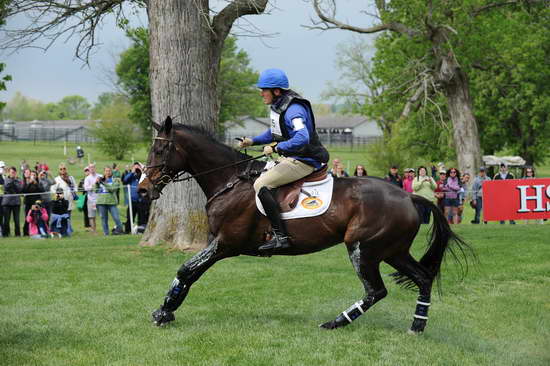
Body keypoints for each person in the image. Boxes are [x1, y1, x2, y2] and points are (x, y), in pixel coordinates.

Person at [238, 68, 329, 252]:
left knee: (261, 185)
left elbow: (302, 137)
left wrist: (275, 148)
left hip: (305, 160)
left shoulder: (294, 110)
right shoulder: (279, 107)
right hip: (293, 157)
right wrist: (253, 141)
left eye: (264, 89)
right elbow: (274, 132)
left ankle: (281, 237)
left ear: (277, 91)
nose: (261, 93)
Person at [95, 166, 124, 236]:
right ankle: (106, 234)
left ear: (111, 172)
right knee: (104, 219)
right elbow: (96, 191)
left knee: (116, 218)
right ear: (104, 172)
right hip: (101, 202)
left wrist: (103, 183)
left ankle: (120, 231)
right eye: (106, 171)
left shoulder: (115, 180)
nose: (108, 172)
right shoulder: (101, 180)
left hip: (112, 202)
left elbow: (112, 189)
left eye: (109, 171)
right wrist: (96, 183)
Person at [123, 162, 148, 234]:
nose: (137, 168)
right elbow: (125, 180)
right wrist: (132, 172)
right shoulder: (131, 176)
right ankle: (127, 231)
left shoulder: (142, 175)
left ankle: (141, 230)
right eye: (135, 167)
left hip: (141, 200)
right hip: (132, 200)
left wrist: (141, 170)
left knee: (142, 217)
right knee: (130, 216)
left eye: (138, 167)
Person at [2, 167, 24, 237]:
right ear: (9, 172)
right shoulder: (6, 179)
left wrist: (14, 181)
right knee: (6, 220)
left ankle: (17, 234)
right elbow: (6, 187)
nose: (12, 174)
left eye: (14, 172)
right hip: (7, 203)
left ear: (16, 173)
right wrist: (12, 180)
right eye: (11, 172)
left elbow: (19, 189)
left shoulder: (19, 179)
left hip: (16, 202)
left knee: (17, 220)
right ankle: (6, 234)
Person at [22, 170, 43, 236]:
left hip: (36, 203)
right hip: (28, 203)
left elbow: (42, 190)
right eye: (32, 175)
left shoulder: (38, 182)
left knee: (37, 218)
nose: (33, 176)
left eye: (34, 175)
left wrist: (36, 183)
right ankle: (26, 233)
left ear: (36, 176)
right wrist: (30, 183)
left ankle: (37, 231)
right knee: (28, 218)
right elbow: (24, 191)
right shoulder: (26, 182)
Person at [84, 164, 101, 233]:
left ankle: (106, 230)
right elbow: (86, 188)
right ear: (89, 169)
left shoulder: (100, 176)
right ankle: (94, 231)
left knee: (102, 215)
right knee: (91, 216)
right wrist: (94, 185)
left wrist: (99, 182)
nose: (92, 169)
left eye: (93, 167)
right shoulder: (87, 178)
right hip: (91, 200)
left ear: (95, 168)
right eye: (90, 168)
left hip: (100, 199)